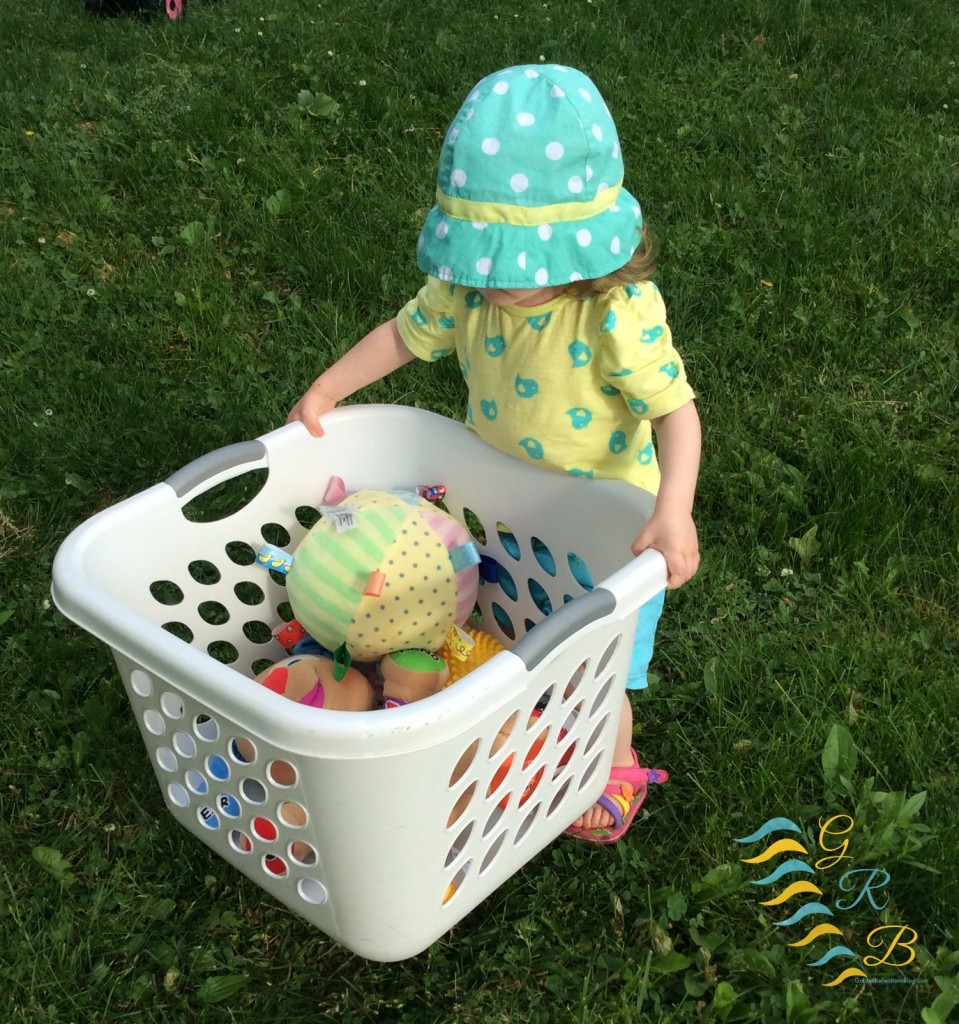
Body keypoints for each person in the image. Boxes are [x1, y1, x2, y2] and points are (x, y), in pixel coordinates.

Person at [288, 64, 701, 843]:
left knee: (594, 671)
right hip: (510, 504)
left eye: (527, 268)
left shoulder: (614, 312)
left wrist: (672, 512)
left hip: (614, 528)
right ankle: (516, 721)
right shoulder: (468, 289)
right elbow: (401, 337)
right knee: (515, 631)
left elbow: (676, 413)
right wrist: (325, 391)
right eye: (491, 261)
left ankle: (612, 764)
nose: (504, 284)